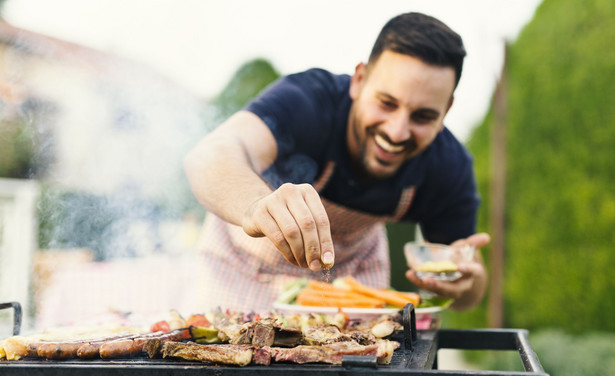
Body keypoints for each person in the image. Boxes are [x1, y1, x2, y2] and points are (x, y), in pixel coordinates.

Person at [184, 12, 490, 313]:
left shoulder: (448, 165)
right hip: (242, 270)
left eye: (423, 116)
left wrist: (464, 285)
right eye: (386, 103)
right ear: (359, 80)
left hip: (351, 282)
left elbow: (469, 292)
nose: (397, 132)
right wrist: (255, 206)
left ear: (446, 110)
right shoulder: (309, 101)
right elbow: (209, 156)